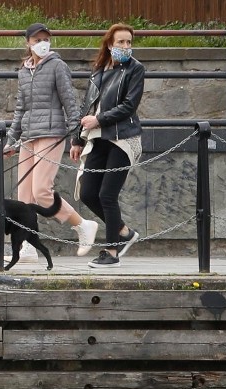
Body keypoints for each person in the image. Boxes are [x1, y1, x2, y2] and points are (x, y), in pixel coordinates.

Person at [4, 22, 99, 263]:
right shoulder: (24, 71)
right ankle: (26, 246)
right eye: (37, 40)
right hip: (28, 136)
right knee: (24, 195)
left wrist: (76, 138)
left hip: (51, 133)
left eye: (45, 38)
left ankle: (82, 225)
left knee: (41, 191)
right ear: (28, 43)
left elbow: (70, 103)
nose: (42, 43)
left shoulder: (58, 66)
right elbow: (19, 109)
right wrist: (11, 141)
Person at [70, 23, 144, 268]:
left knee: (107, 195)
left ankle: (112, 252)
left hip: (123, 138)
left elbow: (129, 106)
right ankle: (124, 232)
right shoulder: (99, 70)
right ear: (110, 44)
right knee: (88, 192)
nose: (125, 46)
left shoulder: (135, 69)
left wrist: (98, 120)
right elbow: (87, 107)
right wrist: (77, 139)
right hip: (97, 138)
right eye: (121, 42)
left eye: (129, 42)